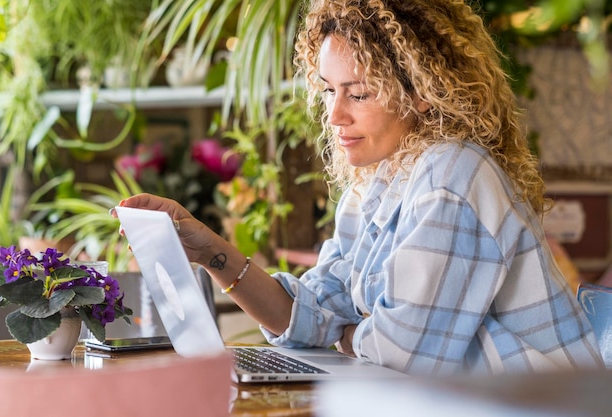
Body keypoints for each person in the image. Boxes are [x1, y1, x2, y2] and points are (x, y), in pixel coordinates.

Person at [114, 0, 603, 375]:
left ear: (422, 92)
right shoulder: (376, 183)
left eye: (360, 93)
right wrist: (207, 248)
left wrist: (346, 337)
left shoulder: (453, 176)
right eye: (329, 89)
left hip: (541, 403)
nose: (334, 115)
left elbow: (406, 353)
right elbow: (310, 313)